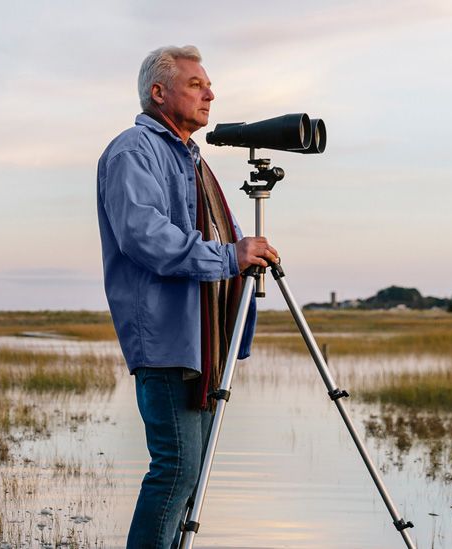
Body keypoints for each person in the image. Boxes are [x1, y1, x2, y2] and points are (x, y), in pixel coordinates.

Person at [96, 45, 279, 549]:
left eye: (208, 84)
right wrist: (229, 257)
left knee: (191, 478)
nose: (210, 93)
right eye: (196, 84)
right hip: (167, 338)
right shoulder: (134, 150)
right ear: (159, 93)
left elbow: (225, 240)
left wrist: (246, 255)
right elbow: (145, 237)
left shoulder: (193, 161)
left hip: (202, 342)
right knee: (176, 470)